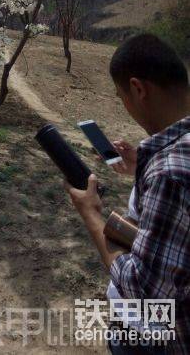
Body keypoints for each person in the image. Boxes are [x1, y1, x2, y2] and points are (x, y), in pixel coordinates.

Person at [65, 33, 190, 354]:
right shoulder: (174, 160)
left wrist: (92, 215)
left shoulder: (170, 172)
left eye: (121, 96)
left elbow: (143, 291)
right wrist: (141, 168)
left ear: (138, 89)